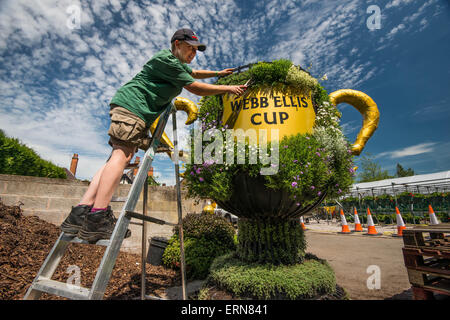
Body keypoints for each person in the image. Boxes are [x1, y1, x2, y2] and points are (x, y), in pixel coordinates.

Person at [61, 28, 247, 242]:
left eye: (196, 51)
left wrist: (217, 73)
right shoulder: (166, 59)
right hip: (133, 108)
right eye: (190, 48)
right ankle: (97, 216)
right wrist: (228, 88)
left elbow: (194, 73)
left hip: (134, 110)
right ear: (177, 43)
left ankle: (81, 212)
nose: (193, 54)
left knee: (120, 155)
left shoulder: (174, 64)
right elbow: (195, 87)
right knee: (121, 155)